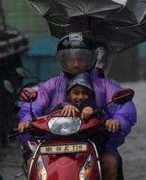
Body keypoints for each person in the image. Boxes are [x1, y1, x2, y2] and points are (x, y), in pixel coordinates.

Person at [18, 32, 137, 180]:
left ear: (91, 59)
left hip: (96, 141)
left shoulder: (104, 86)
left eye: (81, 59)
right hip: (53, 142)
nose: (75, 64)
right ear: (61, 60)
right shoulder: (51, 85)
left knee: (110, 163)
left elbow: (124, 107)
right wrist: (26, 121)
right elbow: (34, 105)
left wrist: (117, 121)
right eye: (70, 59)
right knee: (32, 164)